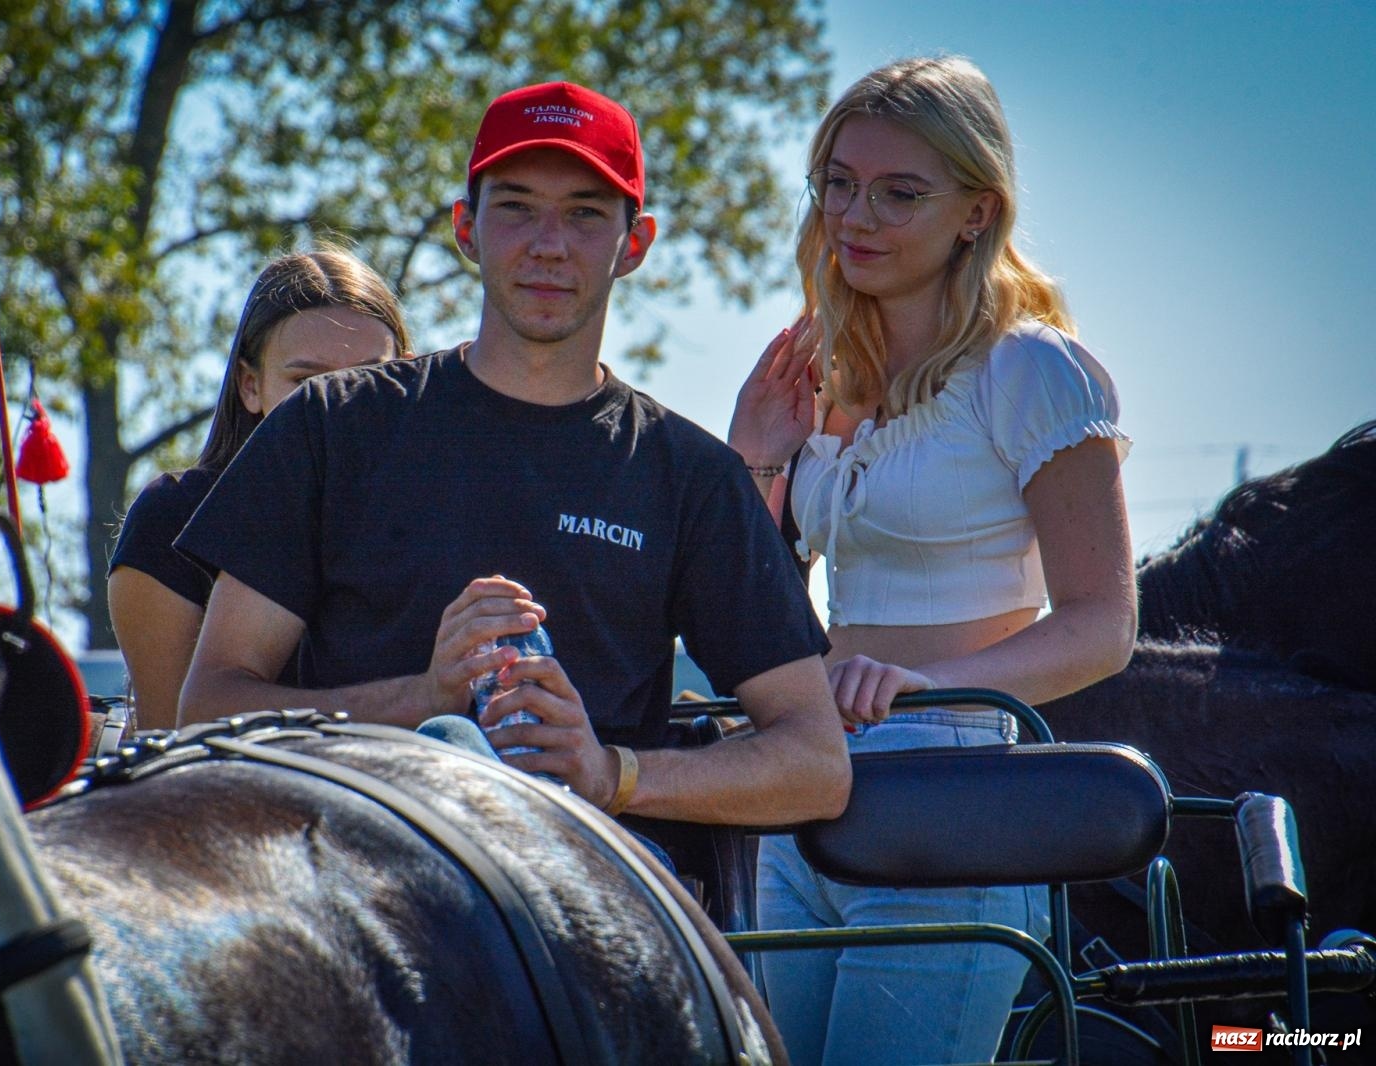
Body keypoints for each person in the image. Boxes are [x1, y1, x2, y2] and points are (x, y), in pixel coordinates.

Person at [176, 80, 850, 827]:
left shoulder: (687, 475)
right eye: (517, 208)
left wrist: (609, 775)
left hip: (587, 895)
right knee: (450, 739)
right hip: (358, 870)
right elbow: (209, 708)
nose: (548, 245)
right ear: (467, 228)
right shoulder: (330, 427)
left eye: (586, 215)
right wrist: (422, 700)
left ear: (636, 243)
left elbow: (816, 766)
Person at [728, 56, 1136, 1065]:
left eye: (900, 192)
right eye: (838, 183)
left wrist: (919, 685)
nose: (855, 215)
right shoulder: (816, 372)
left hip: (956, 806)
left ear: (974, 211)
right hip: (804, 789)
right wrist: (750, 459)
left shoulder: (1032, 369)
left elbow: (1103, 627)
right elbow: (756, 615)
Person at [108, 248, 410, 730]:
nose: (337, 408)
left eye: (367, 379)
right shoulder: (172, 516)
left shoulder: (442, 509)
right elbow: (170, 755)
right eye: (307, 382)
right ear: (251, 385)